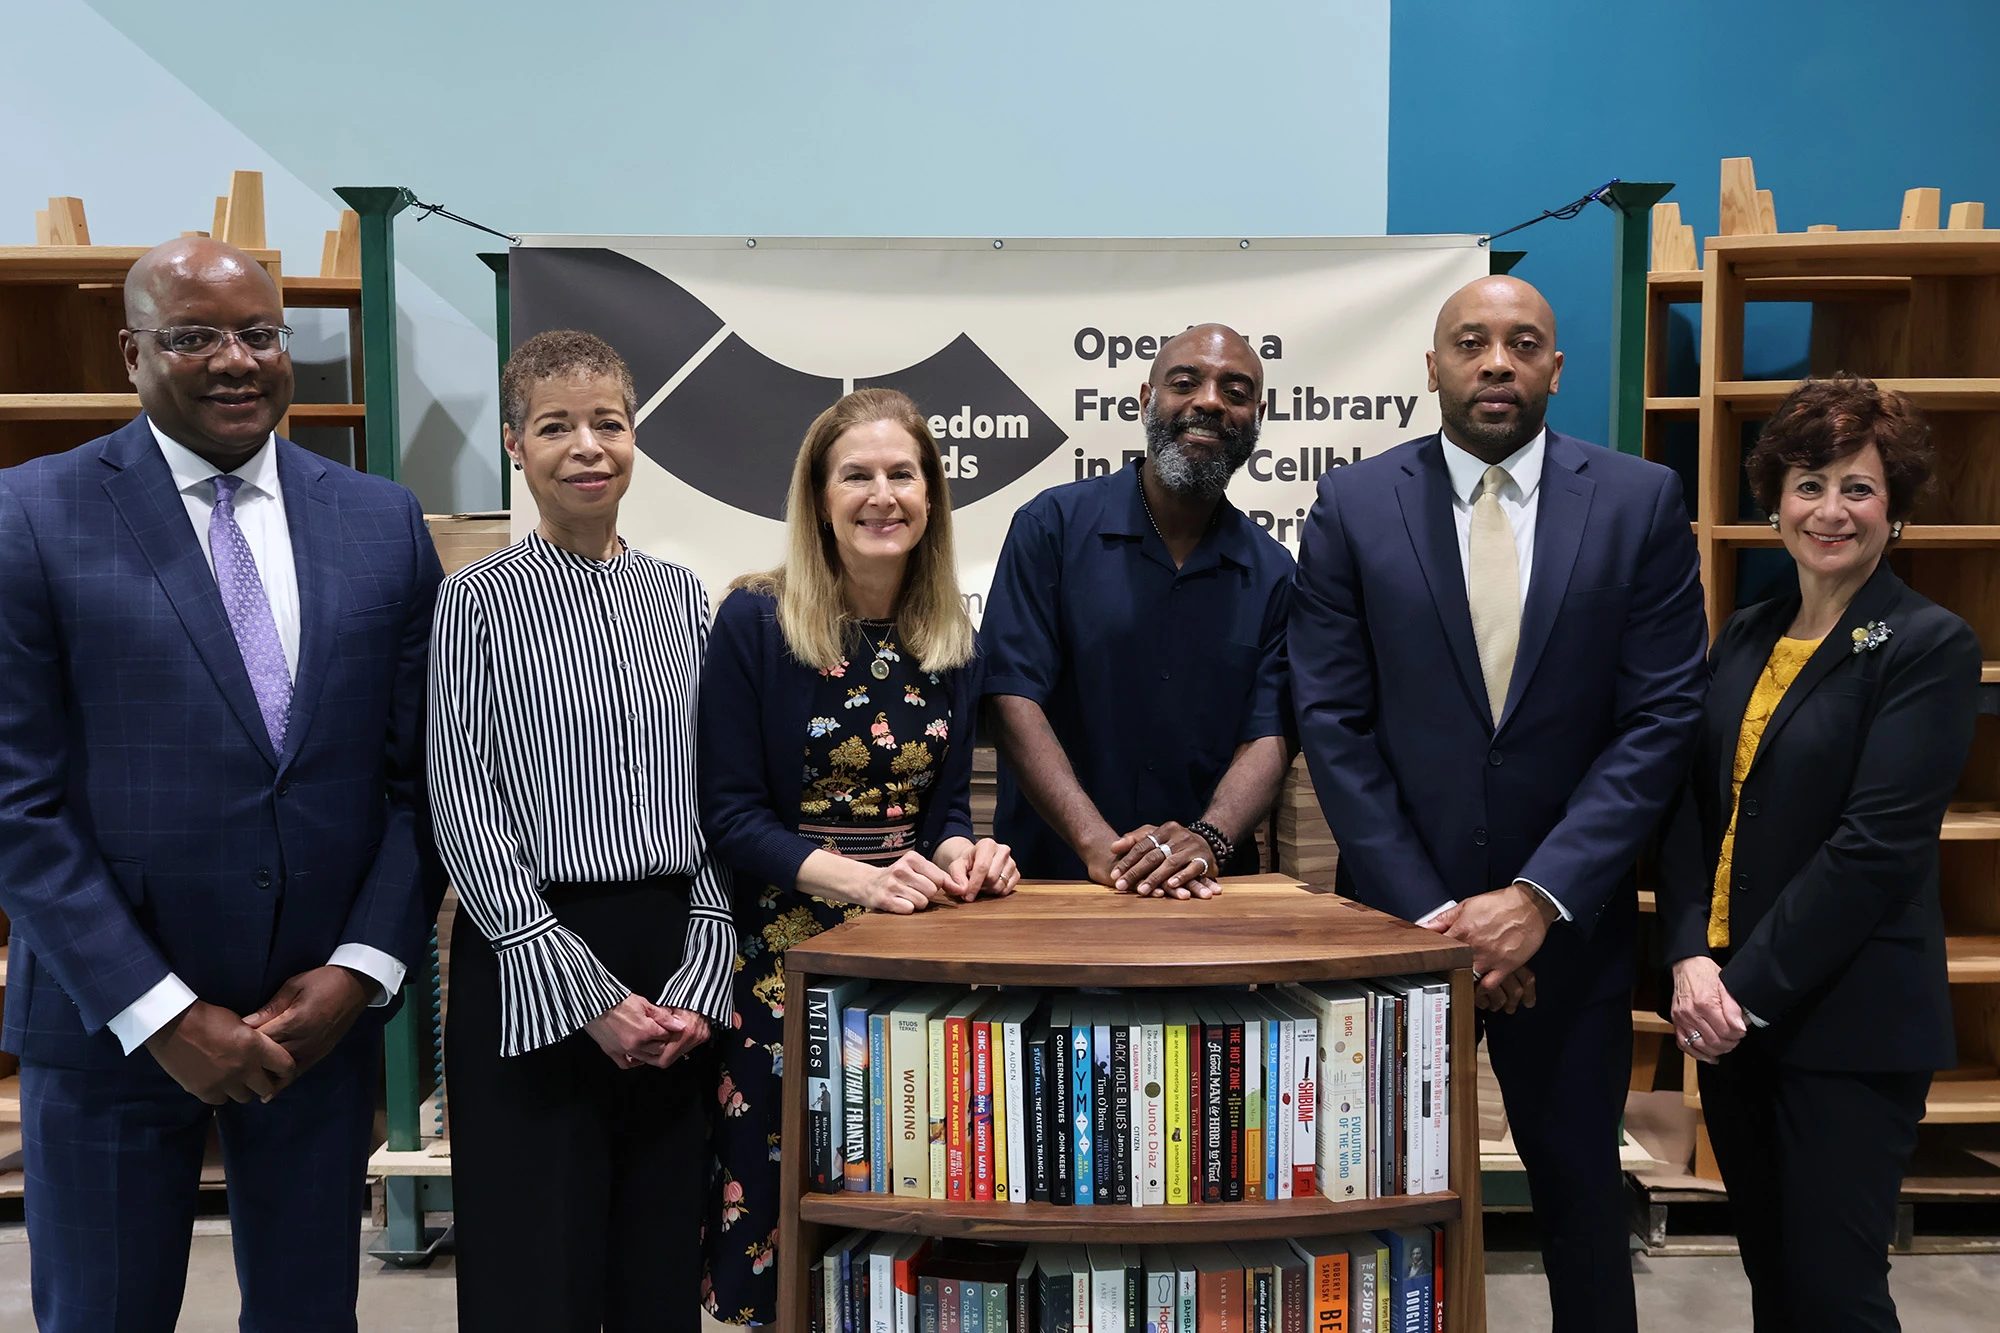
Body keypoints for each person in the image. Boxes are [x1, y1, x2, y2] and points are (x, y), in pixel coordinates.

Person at [0, 238, 441, 1330]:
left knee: (309, 1314)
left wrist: (360, 969)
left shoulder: (380, 520)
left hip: (316, 1026)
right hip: (110, 1022)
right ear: (132, 353)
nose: (235, 360)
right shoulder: (30, 515)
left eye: (259, 334)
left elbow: (422, 781)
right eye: (193, 336)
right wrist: (162, 1013)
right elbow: (16, 802)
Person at [1289, 276, 1707, 1333]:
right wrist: (1443, 920)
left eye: (1522, 344)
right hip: (1397, 927)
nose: (1495, 362)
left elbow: (1659, 718)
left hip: (1568, 932)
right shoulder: (1352, 504)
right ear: (1431, 365)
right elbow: (1332, 722)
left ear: (1554, 369)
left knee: (1580, 1199)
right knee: (1378, 1201)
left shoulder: (1639, 501)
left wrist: (1536, 898)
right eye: (1469, 341)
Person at [429, 330, 734, 1332]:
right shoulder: (473, 603)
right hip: (528, 955)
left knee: (655, 1266)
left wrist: (700, 975)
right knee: (535, 1273)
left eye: (608, 422)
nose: (588, 447)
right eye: (556, 426)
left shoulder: (680, 598)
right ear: (515, 443)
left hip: (670, 959)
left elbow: (718, 792)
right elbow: (461, 803)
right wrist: (586, 998)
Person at [1657, 375, 1974, 1333]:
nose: (1830, 510)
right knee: (1777, 1285)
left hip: (1846, 1024)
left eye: (1857, 487)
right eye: (1808, 484)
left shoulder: (1928, 644)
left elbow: (1874, 849)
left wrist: (1739, 993)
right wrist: (1688, 956)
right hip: (1730, 1014)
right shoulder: (1749, 630)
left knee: (1837, 1297)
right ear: (1775, 502)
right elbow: (1692, 809)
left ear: (1895, 507)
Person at [698, 387, 1017, 1323]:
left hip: (910, 949)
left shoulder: (952, 637)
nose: (883, 495)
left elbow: (944, 809)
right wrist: (863, 881)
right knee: (784, 1207)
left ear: (931, 495)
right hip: (781, 956)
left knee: (906, 1196)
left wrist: (968, 855)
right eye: (857, 476)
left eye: (902, 474)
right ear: (819, 497)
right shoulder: (755, 620)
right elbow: (729, 816)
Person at [981, 324, 1293, 900]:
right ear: (1147, 399)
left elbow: (1270, 733)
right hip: (1052, 886)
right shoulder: (1050, 528)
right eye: (1185, 383)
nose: (1209, 402)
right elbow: (1010, 698)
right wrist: (1097, 844)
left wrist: (1210, 838)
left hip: (1201, 892)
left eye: (1235, 391)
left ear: (1256, 416)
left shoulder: (1275, 572)